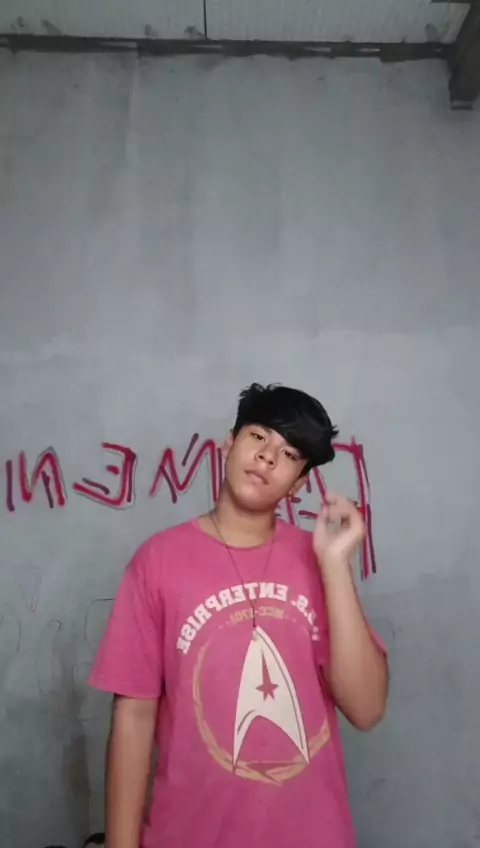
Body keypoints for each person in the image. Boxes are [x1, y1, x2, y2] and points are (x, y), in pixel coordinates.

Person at [89, 383, 388, 848]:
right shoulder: (157, 562)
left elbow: (366, 709)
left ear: (299, 483)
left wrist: (334, 565)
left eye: (289, 454)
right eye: (259, 436)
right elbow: (133, 718)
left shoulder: (319, 559)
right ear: (229, 443)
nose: (268, 456)